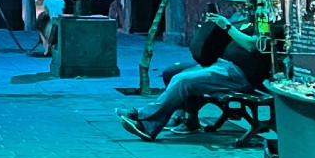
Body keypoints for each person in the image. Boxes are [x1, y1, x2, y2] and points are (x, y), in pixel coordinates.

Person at [116, 9, 271, 141]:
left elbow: (252, 45)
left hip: (238, 74)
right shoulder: (242, 18)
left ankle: (145, 121)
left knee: (183, 80)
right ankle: (180, 118)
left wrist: (227, 26)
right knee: (176, 72)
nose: (241, 6)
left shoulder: (265, 21)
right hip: (223, 64)